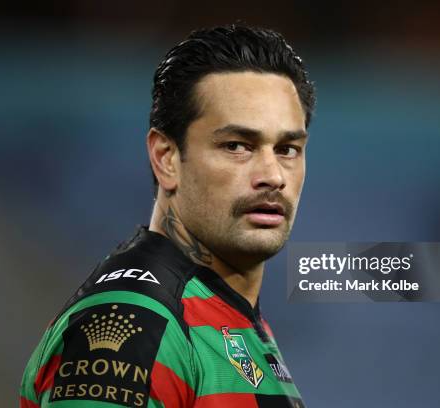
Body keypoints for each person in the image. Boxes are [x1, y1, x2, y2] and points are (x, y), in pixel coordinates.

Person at [20, 23, 315, 408]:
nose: (273, 176)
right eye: (237, 145)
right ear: (166, 158)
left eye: (288, 149)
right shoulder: (137, 323)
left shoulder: (220, 311)